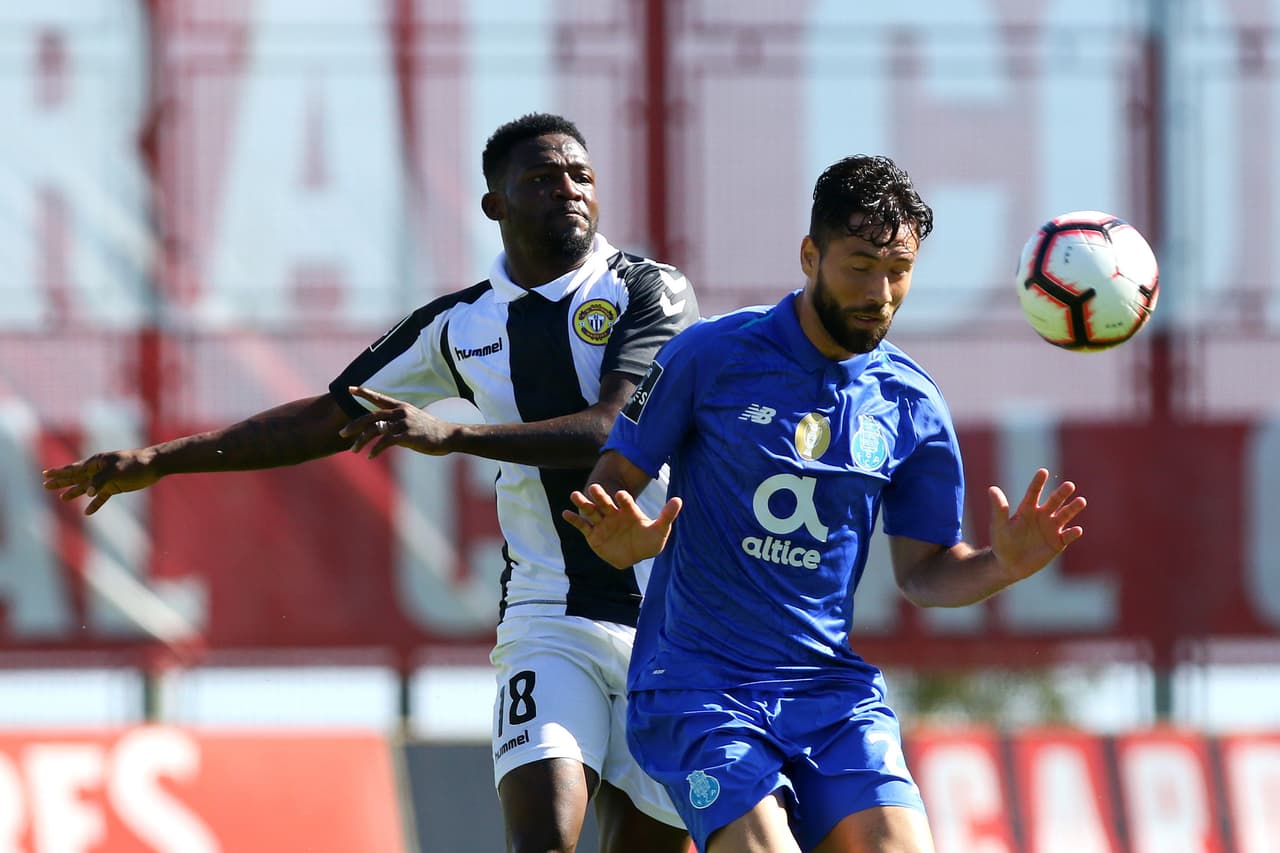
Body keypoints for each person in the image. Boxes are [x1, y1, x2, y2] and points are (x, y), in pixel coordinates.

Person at [42, 112, 698, 853]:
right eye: (542, 179)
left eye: (580, 176)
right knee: (541, 838)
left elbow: (615, 427)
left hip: (667, 621)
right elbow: (328, 416)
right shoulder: (458, 327)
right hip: (548, 618)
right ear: (496, 204)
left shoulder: (651, 291)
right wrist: (162, 459)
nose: (568, 190)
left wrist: (451, 435)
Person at [562, 154, 1087, 853]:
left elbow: (924, 572)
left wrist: (1003, 564)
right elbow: (610, 481)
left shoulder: (913, 404)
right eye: (860, 265)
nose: (881, 291)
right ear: (810, 254)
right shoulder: (709, 355)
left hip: (830, 695)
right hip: (698, 690)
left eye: (898, 269)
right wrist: (619, 541)